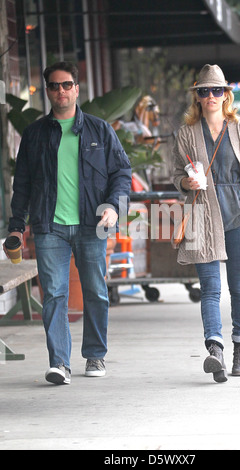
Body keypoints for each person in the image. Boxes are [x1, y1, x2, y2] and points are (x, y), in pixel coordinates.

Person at [3, 61, 132, 385]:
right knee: (55, 295)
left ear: (76, 88)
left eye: (67, 85)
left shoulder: (100, 130)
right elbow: (23, 184)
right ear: (47, 91)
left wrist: (114, 208)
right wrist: (16, 226)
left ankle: (95, 355)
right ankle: (59, 362)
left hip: (92, 224)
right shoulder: (34, 134)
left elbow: (121, 173)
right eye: (54, 86)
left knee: (96, 292)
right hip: (50, 227)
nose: (61, 91)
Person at [172, 64, 240, 383]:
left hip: (239, 213)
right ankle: (215, 348)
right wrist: (186, 184)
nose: (211, 96)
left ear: (226, 95)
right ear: (197, 97)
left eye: (217, 90)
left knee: (238, 287)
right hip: (203, 214)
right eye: (204, 91)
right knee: (210, 288)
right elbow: (176, 174)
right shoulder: (187, 133)